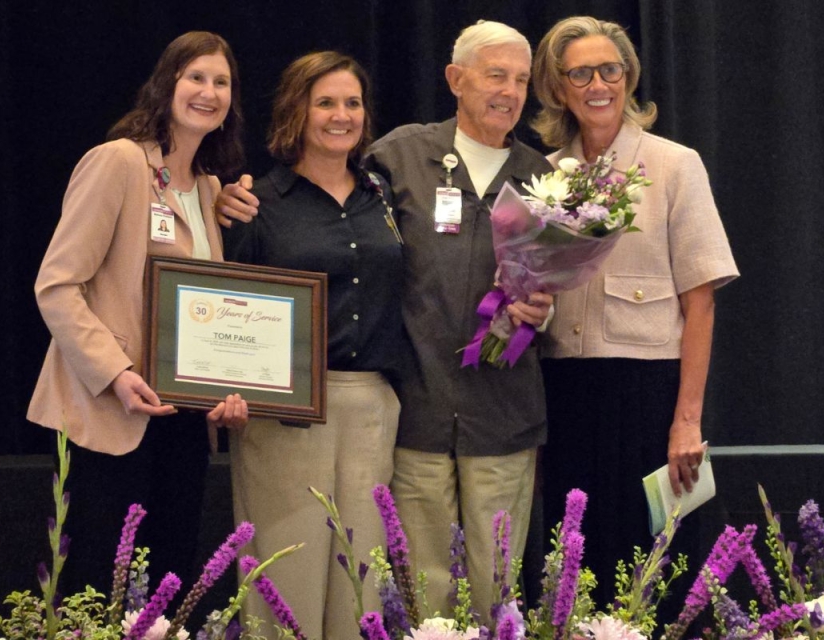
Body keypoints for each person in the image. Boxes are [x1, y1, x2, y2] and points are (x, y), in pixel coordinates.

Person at [218, 22, 553, 620]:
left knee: (492, 589)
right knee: (415, 590)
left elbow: (556, 282)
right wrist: (228, 200)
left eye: (521, 79)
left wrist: (543, 308)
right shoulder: (398, 159)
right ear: (455, 79)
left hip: (498, 414)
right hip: (413, 413)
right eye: (494, 74)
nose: (508, 90)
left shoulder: (547, 178)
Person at [27, 31, 250, 598]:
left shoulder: (207, 190)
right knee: (96, 589)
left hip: (182, 421)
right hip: (112, 412)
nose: (208, 92)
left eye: (221, 82)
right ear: (166, 85)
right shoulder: (118, 162)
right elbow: (57, 286)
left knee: (166, 589)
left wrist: (225, 385)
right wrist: (117, 373)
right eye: (195, 77)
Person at [531, 16, 739, 608]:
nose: (599, 84)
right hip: (566, 392)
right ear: (558, 87)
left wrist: (688, 421)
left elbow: (700, 302)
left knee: (654, 565)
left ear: (629, 77)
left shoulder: (675, 164)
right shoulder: (545, 176)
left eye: (611, 70)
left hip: (648, 396)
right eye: (580, 73)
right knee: (576, 564)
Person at [221, 52, 406, 639]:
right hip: (285, 414)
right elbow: (232, 310)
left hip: (372, 406)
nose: (341, 115)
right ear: (295, 111)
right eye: (325, 101)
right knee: (287, 580)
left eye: (352, 102)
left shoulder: (384, 195)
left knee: (362, 588)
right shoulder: (256, 202)